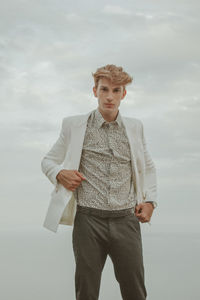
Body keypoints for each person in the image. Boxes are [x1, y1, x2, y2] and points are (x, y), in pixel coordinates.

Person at [41, 64, 157, 300]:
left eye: (116, 91)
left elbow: (149, 166)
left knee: (135, 291)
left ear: (123, 94)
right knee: (86, 292)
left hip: (125, 219)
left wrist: (151, 201)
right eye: (104, 89)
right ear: (94, 91)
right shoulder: (73, 125)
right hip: (88, 221)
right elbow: (48, 161)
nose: (109, 97)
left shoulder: (135, 127)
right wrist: (59, 173)